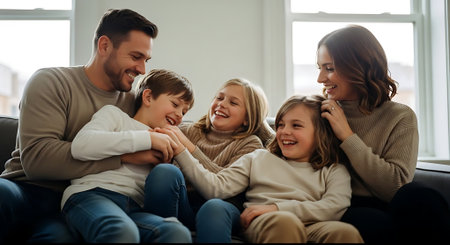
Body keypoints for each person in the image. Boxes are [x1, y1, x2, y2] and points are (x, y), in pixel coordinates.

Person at [0, 8, 159, 243]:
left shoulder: (133, 103)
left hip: (78, 199)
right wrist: (124, 156)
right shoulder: (51, 82)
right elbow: (38, 161)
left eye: (146, 60)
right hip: (25, 189)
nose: (142, 70)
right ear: (104, 46)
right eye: (135, 57)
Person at [146, 95, 364, 243]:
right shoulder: (259, 158)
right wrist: (182, 151)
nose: (284, 132)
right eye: (280, 125)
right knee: (284, 223)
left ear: (321, 133)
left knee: (345, 232)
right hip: (263, 223)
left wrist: (277, 207)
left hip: (312, 224)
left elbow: (334, 206)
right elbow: (217, 187)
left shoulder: (334, 170)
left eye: (296, 126)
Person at [316, 24, 450, 244]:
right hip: (341, 204)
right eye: (319, 68)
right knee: (374, 222)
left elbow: (396, 187)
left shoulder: (400, 116)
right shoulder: (319, 111)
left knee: (420, 196)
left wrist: (347, 137)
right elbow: (276, 135)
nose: (321, 78)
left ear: (358, 66)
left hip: (391, 202)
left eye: (329, 68)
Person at [62, 69, 194, 243]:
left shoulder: (169, 141)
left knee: (176, 232)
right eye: (175, 105)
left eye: (184, 112)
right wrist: (148, 138)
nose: (179, 115)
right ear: (148, 97)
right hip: (91, 195)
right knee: (121, 230)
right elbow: (81, 145)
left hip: (135, 207)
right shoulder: (115, 116)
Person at [144, 78, 274, 241]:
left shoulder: (250, 144)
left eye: (233, 103)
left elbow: (221, 185)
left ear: (247, 118)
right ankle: (164, 233)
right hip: (183, 205)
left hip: (222, 209)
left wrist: (188, 148)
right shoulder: (184, 130)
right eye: (219, 98)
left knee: (213, 207)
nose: (222, 104)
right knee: (165, 172)